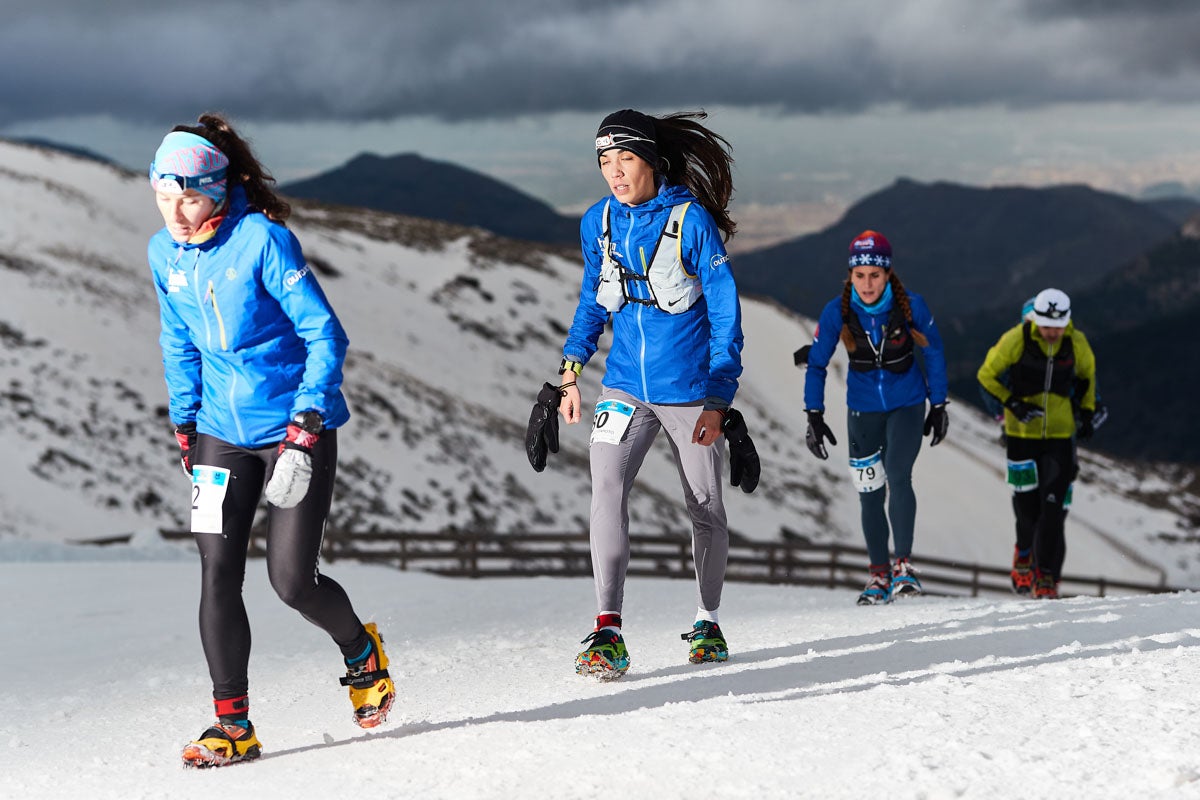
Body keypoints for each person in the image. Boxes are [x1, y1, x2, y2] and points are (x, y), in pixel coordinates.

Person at [148, 113, 395, 767]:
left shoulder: (262, 240)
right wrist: (185, 424)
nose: (177, 213)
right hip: (218, 438)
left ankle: (361, 653)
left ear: (221, 190)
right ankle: (233, 726)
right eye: (164, 197)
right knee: (216, 572)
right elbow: (178, 343)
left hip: (294, 430)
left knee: (291, 581)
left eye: (191, 197)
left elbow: (325, 335)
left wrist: (307, 421)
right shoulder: (161, 254)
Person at [525, 109, 758, 679]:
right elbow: (591, 302)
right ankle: (608, 632)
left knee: (705, 507)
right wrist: (568, 375)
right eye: (605, 161)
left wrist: (720, 399)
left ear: (651, 160)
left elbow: (726, 312)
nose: (614, 171)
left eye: (625, 158)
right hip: (625, 384)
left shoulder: (691, 222)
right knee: (604, 488)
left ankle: (707, 621)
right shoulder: (597, 223)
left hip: (690, 392)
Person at [801, 231, 948, 605]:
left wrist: (939, 404)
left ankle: (904, 568)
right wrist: (813, 414)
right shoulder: (838, 311)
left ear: (887, 275)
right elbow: (816, 363)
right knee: (870, 492)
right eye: (860, 275)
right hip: (862, 411)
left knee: (898, 475)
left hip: (907, 406)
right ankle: (878, 575)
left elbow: (933, 353)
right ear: (851, 275)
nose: (867, 283)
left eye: (875, 275)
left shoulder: (912, 306)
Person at [978, 288, 1099, 600]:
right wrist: (1011, 406)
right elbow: (986, 377)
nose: (1052, 334)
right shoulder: (1016, 339)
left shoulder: (1076, 343)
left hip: (1061, 437)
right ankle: (1023, 553)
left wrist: (1087, 415)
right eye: (1046, 327)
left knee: (1053, 510)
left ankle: (1046, 577)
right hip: (1021, 435)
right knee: (1028, 511)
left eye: (1057, 327)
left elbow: (1088, 379)